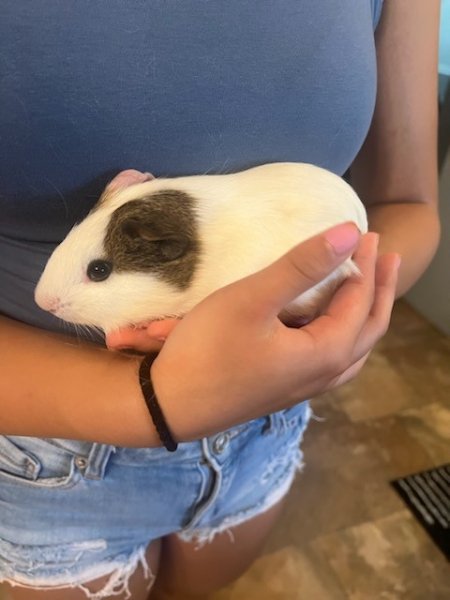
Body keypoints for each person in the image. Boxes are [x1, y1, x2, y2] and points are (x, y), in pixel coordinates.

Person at [0, 1, 440, 599]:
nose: (55, 298)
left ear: (167, 246)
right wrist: (151, 401)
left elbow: (409, 205)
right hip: (42, 447)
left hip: (266, 427)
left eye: (101, 271)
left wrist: (347, 320)